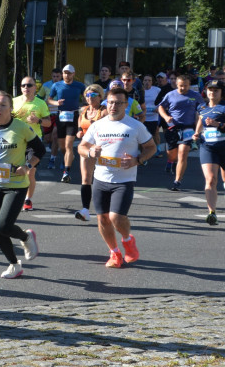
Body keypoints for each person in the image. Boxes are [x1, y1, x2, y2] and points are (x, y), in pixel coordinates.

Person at [78, 86, 156, 268]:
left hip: (124, 180)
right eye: (111, 102)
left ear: (125, 104)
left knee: (115, 217)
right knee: (102, 218)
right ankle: (114, 253)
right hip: (100, 179)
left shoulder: (135, 126)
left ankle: (128, 241)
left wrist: (138, 160)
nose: (114, 106)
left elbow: (151, 147)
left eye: (118, 103)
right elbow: (81, 147)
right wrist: (90, 152)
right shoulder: (98, 125)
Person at [0, 91, 44, 278]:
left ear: (10, 108)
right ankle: (14, 264)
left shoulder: (21, 128)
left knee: (4, 225)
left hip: (17, 184)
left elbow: (40, 149)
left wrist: (27, 166)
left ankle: (26, 237)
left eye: (3, 105)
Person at [158, 72, 204, 192]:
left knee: (183, 153)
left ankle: (177, 180)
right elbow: (161, 107)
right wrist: (166, 117)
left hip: (188, 128)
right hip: (172, 127)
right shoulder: (170, 95)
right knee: (172, 154)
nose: (183, 88)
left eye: (185, 86)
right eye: (180, 86)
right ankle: (171, 162)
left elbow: (203, 108)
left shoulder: (195, 95)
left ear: (189, 85)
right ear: (176, 84)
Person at [12, 77, 51, 210]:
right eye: (23, 85)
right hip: (16, 140)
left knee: (30, 172)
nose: (26, 88)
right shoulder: (14, 101)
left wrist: (38, 120)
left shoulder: (40, 103)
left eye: (29, 85)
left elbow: (48, 123)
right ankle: (14, 197)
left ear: (35, 88)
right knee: (14, 171)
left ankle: (28, 200)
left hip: (33, 141)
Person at [47, 64, 86, 183]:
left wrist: (84, 106)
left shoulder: (79, 85)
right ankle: (68, 157)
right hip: (61, 116)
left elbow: (86, 97)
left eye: (69, 73)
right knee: (62, 146)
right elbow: (49, 99)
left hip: (73, 116)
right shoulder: (56, 85)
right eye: (65, 73)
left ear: (73, 74)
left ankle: (66, 172)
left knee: (69, 145)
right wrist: (56, 103)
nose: (66, 75)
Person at [194, 79, 225, 225]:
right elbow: (201, 120)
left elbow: (214, 123)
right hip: (208, 147)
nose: (212, 92)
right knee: (211, 179)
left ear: (221, 92)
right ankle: (212, 212)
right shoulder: (201, 107)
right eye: (210, 89)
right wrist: (196, 132)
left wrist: (218, 124)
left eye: (216, 90)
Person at [74, 84, 106, 221]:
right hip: (87, 148)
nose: (89, 98)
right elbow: (80, 128)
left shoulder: (104, 111)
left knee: (104, 179)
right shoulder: (84, 111)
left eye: (93, 95)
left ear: (100, 96)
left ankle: (106, 209)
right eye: (87, 95)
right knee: (86, 179)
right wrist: (79, 132)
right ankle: (85, 210)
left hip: (102, 148)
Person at [39, 68, 62, 164]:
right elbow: (39, 97)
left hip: (59, 114)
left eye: (57, 76)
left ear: (61, 76)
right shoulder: (46, 85)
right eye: (54, 76)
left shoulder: (64, 85)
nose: (56, 78)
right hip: (47, 115)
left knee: (55, 135)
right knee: (48, 139)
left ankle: (52, 158)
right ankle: (52, 144)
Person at [142, 74, 162, 153]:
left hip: (154, 115)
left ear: (152, 82)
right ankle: (144, 151)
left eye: (149, 80)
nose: (147, 82)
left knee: (156, 132)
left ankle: (158, 148)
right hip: (143, 115)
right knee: (142, 133)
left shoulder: (157, 90)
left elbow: (162, 101)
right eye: (145, 80)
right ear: (143, 82)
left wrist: (158, 108)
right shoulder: (140, 90)